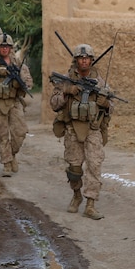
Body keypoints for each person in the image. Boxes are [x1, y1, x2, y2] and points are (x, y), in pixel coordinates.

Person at [49, 44, 113, 220]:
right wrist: (67, 92)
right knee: (74, 168)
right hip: (72, 129)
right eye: (81, 58)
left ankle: (90, 204)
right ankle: (76, 195)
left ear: (92, 61)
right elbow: (53, 104)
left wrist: (106, 104)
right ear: (76, 60)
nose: (84, 61)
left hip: (93, 129)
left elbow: (112, 106)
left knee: (94, 165)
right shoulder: (66, 80)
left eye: (87, 58)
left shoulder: (100, 82)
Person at [0, 33, 33, 177]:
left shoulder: (17, 62)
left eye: (7, 46)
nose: (4, 49)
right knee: (3, 135)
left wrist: (20, 82)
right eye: (2, 47)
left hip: (14, 101)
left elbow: (29, 82)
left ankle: (12, 154)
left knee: (20, 133)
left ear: (10, 48)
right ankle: (7, 164)